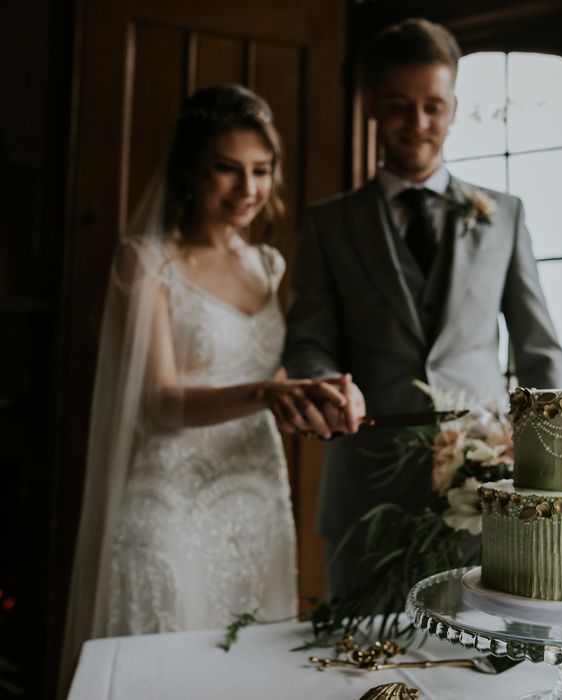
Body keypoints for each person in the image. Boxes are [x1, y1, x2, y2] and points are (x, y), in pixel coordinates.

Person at [59, 85, 347, 688]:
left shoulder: (268, 265)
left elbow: (275, 381)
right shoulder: (147, 261)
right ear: (192, 169)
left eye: (261, 171)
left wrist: (313, 398)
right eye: (227, 169)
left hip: (255, 495)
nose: (248, 189)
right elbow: (159, 400)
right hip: (170, 501)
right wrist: (267, 395)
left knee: (249, 671)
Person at [282, 18, 562, 597]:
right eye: (398, 106)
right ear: (371, 104)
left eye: (432, 106)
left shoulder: (504, 215)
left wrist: (556, 465)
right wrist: (324, 386)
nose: (417, 124)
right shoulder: (328, 224)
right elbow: (308, 337)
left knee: (483, 659)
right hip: (365, 485)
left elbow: (539, 351)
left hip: (485, 482)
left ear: (454, 107)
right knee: (361, 665)